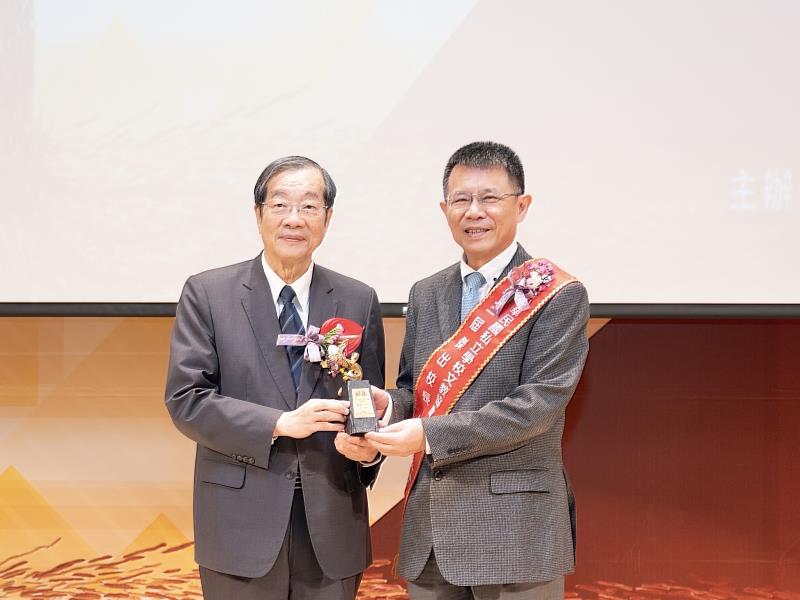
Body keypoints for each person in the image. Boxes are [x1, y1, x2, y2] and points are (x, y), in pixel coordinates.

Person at [362, 141, 589, 599]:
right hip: (431, 532)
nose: (474, 212)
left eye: (490, 198)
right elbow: (416, 390)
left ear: (521, 206)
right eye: (461, 200)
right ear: (445, 209)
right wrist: (390, 405)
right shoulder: (426, 292)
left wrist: (427, 435)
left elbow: (536, 406)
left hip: (515, 534)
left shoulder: (557, 293)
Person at [165, 156, 385, 599]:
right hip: (239, 523)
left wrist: (368, 452)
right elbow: (187, 399)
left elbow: (368, 402)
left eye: (309, 206)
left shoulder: (357, 298)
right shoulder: (208, 293)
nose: (294, 219)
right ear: (258, 213)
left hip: (332, 522)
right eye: (281, 204)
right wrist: (279, 424)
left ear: (327, 218)